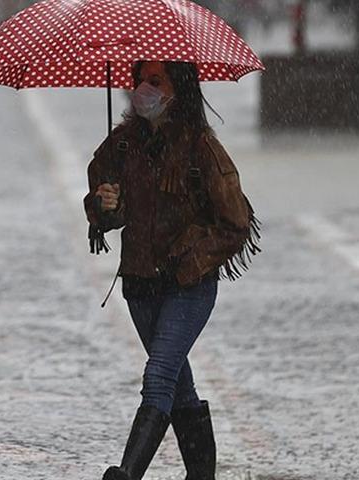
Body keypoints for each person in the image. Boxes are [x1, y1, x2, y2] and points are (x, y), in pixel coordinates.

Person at [84, 61, 260, 480]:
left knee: (159, 375)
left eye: (155, 81)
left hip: (188, 288)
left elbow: (236, 222)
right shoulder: (122, 145)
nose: (143, 89)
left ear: (177, 89)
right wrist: (103, 205)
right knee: (179, 385)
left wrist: (190, 256)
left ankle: (127, 473)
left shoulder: (201, 148)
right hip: (140, 285)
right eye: (139, 80)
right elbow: (106, 209)